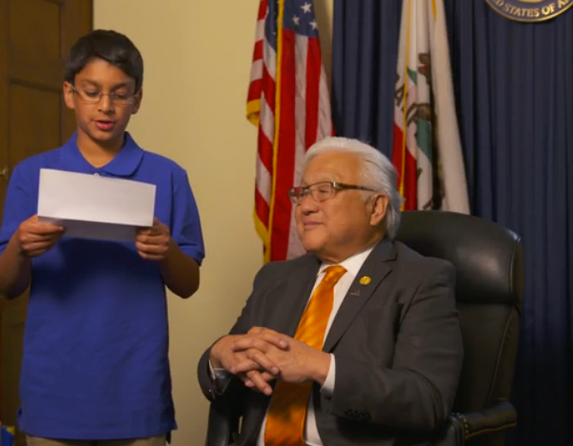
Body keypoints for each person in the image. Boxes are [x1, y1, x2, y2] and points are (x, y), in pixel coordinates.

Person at [0, 29, 205, 446]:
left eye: (120, 94)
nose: (105, 106)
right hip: (52, 394)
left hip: (136, 394)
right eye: (92, 92)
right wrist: (20, 244)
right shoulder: (31, 175)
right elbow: (6, 285)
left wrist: (166, 253)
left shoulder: (167, 176)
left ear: (137, 100)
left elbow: (188, 284)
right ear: (70, 93)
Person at [198, 137, 463, 446]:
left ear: (376, 207)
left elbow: (426, 401)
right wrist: (217, 359)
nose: (306, 206)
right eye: (302, 193)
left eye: (325, 191)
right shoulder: (275, 278)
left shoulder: (421, 279)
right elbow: (230, 384)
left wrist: (321, 367)